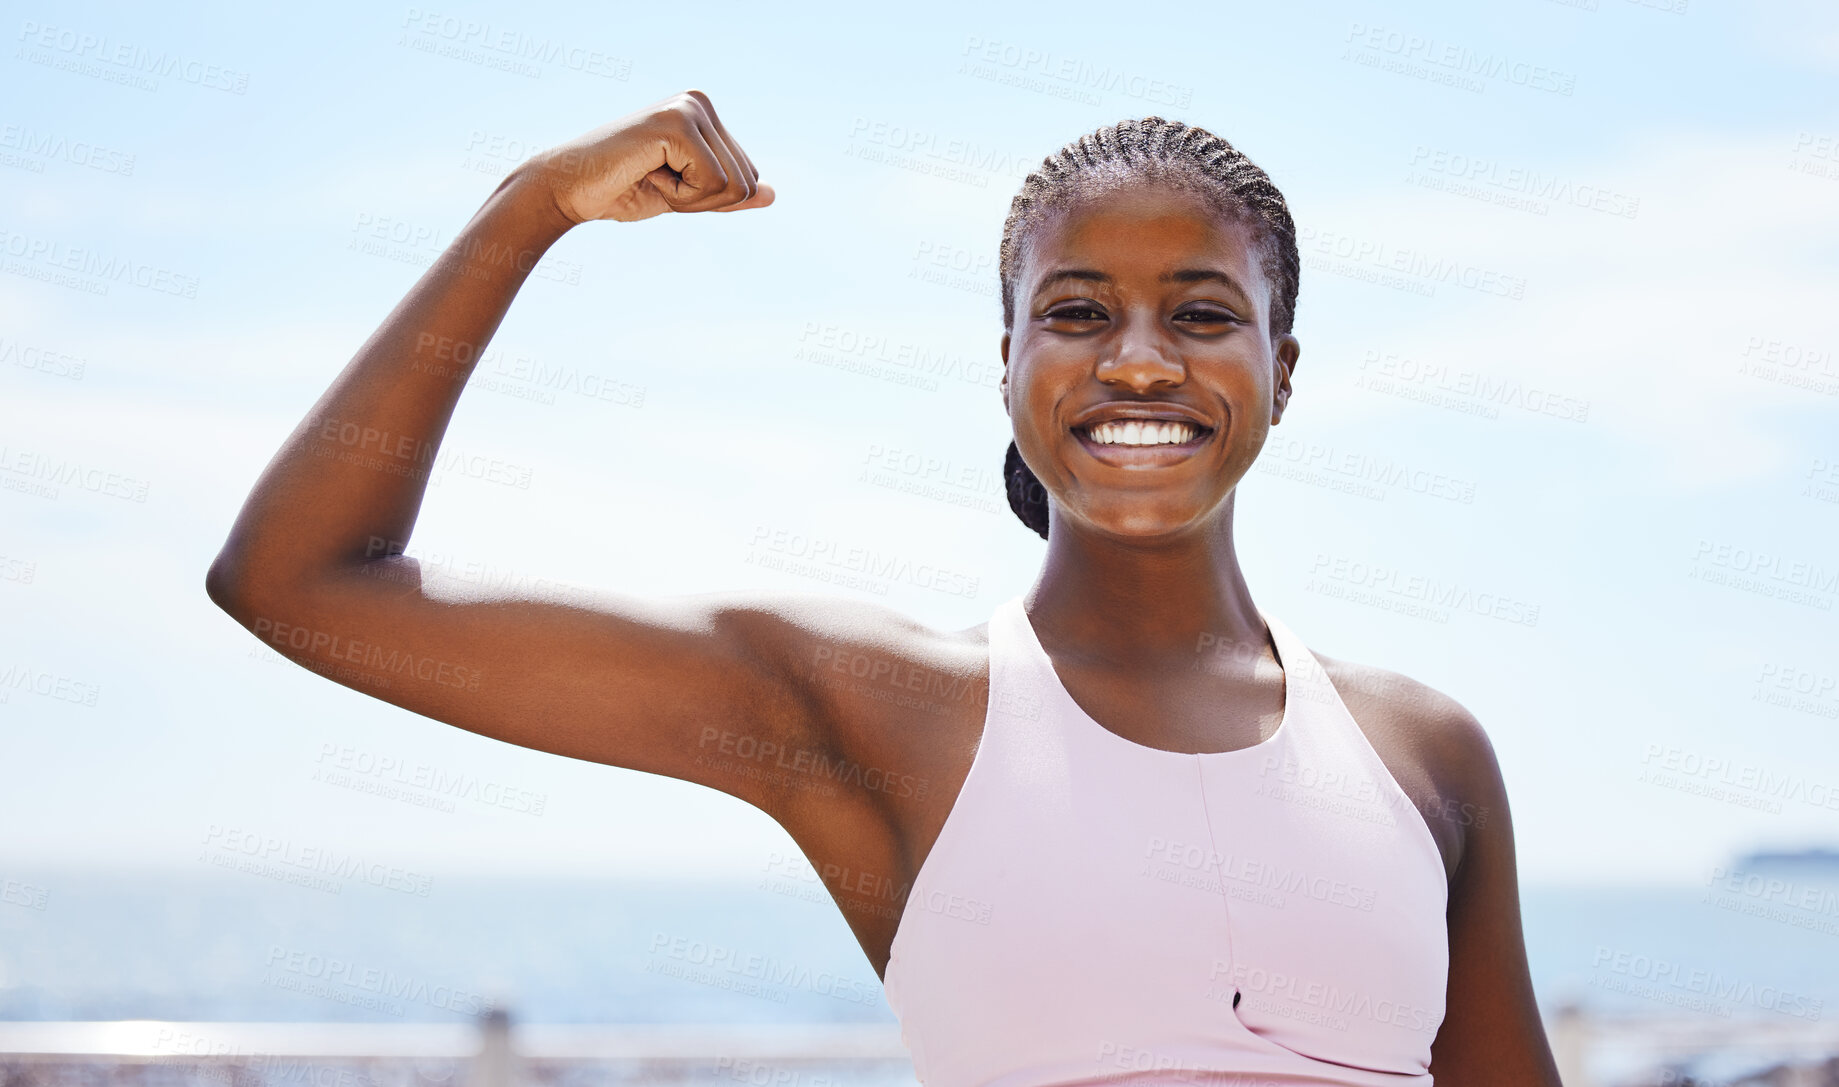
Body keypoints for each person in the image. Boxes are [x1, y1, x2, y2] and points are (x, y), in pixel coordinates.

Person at [205, 89, 1562, 1086]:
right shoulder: (878, 710)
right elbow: (300, 582)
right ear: (1009, 362)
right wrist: (533, 206)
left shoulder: (1423, 753)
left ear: (1281, 371)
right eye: (1078, 312)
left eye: (1203, 313)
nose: (1140, 360)